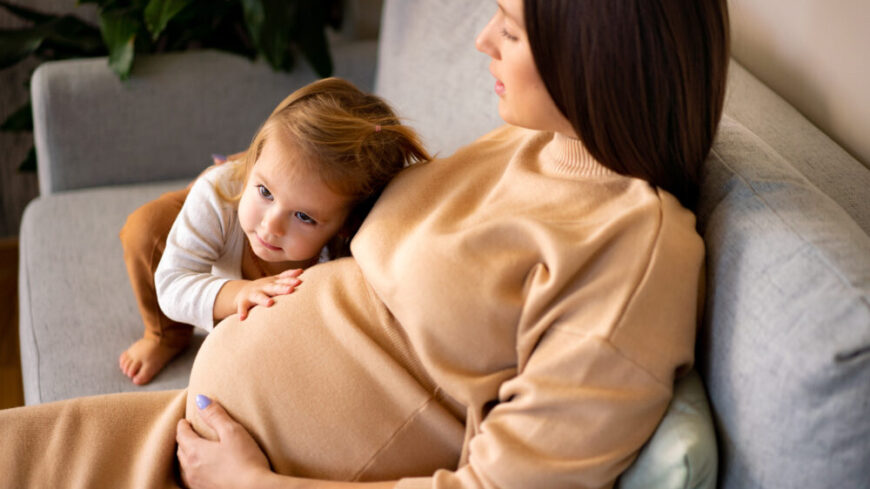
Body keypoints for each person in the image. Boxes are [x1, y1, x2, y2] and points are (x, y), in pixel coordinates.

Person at [0, 1, 729, 488]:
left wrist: (257, 484)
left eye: (509, 30)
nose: (482, 39)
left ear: (596, 59)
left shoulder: (635, 248)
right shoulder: (532, 143)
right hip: (185, 427)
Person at [117, 77, 430, 385]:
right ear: (255, 162)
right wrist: (240, 292)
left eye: (304, 217)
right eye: (266, 192)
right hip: (230, 200)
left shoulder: (346, 250)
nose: (271, 226)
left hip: (261, 193)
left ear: (344, 227)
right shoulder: (217, 195)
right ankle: (165, 335)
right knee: (146, 230)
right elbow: (172, 285)